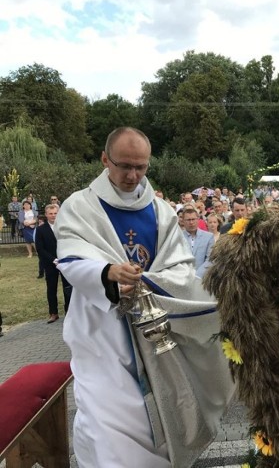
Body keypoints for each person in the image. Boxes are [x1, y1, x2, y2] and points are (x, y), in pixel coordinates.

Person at [55, 127, 233, 467]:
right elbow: (70, 259)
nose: (132, 175)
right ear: (105, 159)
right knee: (106, 422)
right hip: (103, 333)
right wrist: (107, 273)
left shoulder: (162, 211)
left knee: (155, 417)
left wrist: (145, 282)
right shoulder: (79, 207)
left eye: (141, 167)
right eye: (124, 166)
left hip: (153, 330)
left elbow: (181, 268)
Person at [35, 204, 72, 323]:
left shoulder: (65, 227)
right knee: (51, 288)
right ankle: (53, 313)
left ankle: (69, 312)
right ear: (46, 215)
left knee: (68, 288)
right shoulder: (41, 229)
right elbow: (40, 248)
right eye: (50, 213)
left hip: (65, 262)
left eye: (55, 213)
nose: (53, 216)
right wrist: (53, 260)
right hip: (50, 264)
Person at [182, 206, 214, 278]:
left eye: (193, 219)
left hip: (201, 278)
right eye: (188, 220)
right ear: (183, 221)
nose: (191, 222)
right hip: (182, 277)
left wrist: (197, 275)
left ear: (198, 219)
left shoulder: (209, 237)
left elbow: (210, 259)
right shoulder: (178, 237)